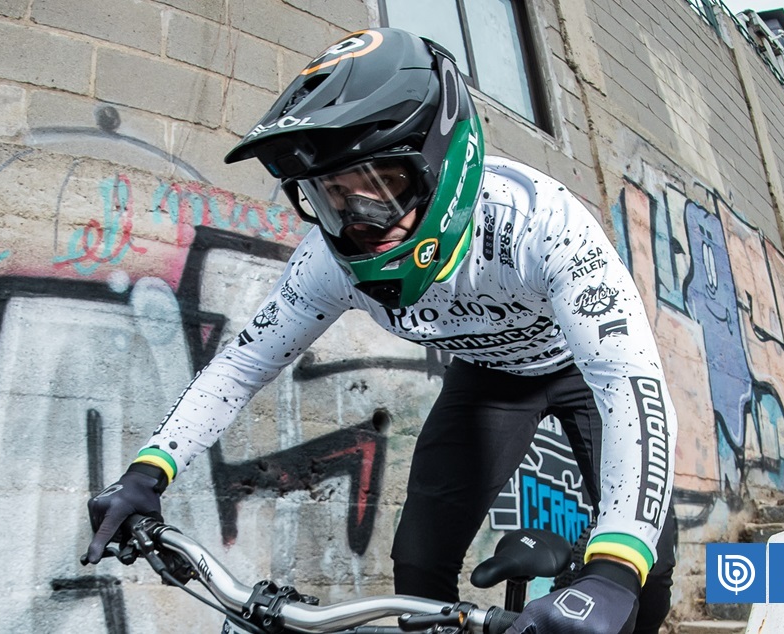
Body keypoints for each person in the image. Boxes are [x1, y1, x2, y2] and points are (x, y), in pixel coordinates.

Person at [85, 27, 678, 634]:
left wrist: (615, 567)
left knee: (643, 572)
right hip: (490, 379)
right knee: (419, 562)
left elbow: (627, 381)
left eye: (382, 185)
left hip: (582, 370)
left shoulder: (539, 223)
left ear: (443, 162)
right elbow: (242, 365)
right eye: (333, 194)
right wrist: (148, 471)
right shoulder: (326, 263)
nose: (358, 219)